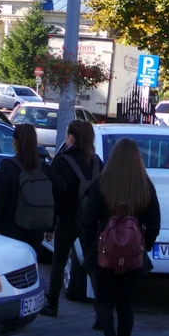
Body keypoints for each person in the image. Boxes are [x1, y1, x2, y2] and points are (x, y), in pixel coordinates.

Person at [81, 137, 161, 336]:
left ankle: (109, 333)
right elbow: (154, 222)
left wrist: (91, 245)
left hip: (105, 252)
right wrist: (146, 246)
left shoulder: (103, 182)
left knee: (104, 301)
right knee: (126, 304)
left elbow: (89, 219)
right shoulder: (145, 186)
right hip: (133, 254)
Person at [41, 120, 104, 323]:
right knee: (93, 266)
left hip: (67, 218)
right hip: (90, 221)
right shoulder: (96, 162)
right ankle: (101, 313)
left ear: (71, 137)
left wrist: (50, 226)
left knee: (59, 261)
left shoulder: (61, 162)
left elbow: (54, 196)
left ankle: (52, 304)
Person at [0, 124, 65, 249]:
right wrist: (50, 227)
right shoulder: (43, 167)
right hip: (37, 229)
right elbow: (60, 190)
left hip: (11, 230)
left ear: (15, 142)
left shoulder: (8, 167)